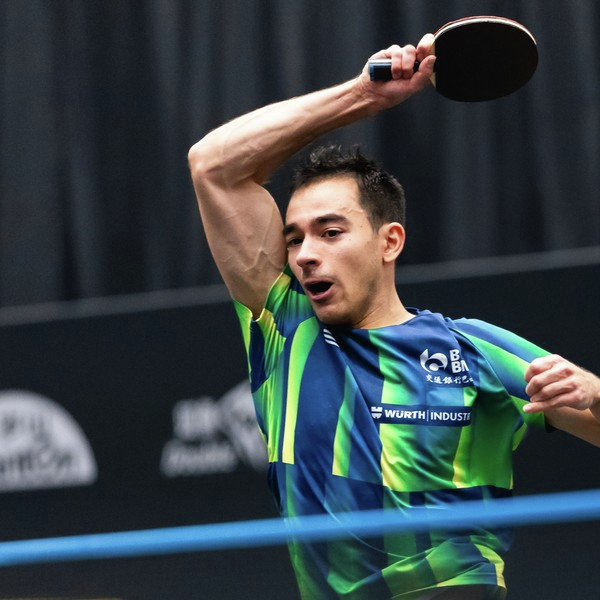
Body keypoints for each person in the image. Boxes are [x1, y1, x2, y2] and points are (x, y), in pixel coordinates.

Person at [188, 35, 600, 600]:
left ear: (390, 241)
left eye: (331, 232)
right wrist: (362, 95)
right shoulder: (287, 331)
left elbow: (590, 412)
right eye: (295, 238)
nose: (305, 254)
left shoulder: (471, 349)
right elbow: (212, 164)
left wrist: (592, 393)